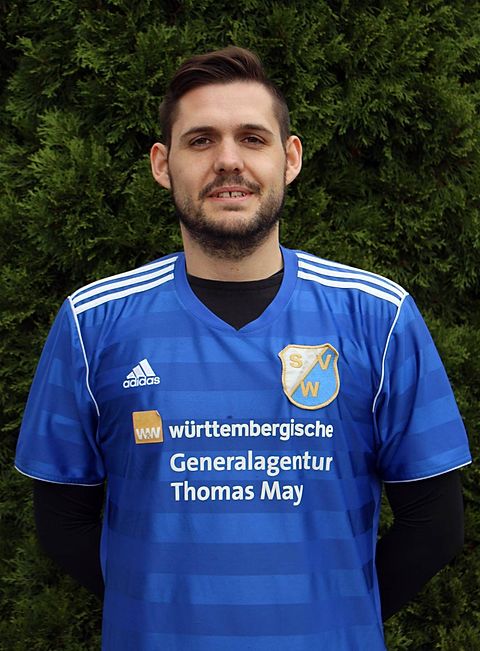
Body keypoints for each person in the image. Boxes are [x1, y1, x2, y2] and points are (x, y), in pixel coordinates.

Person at [15, 46, 471, 650]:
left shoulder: (378, 315)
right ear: (162, 164)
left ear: (290, 158)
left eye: (252, 139)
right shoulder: (92, 321)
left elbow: (435, 525)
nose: (228, 160)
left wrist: (328, 621)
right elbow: (62, 521)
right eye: (200, 140)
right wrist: (166, 615)